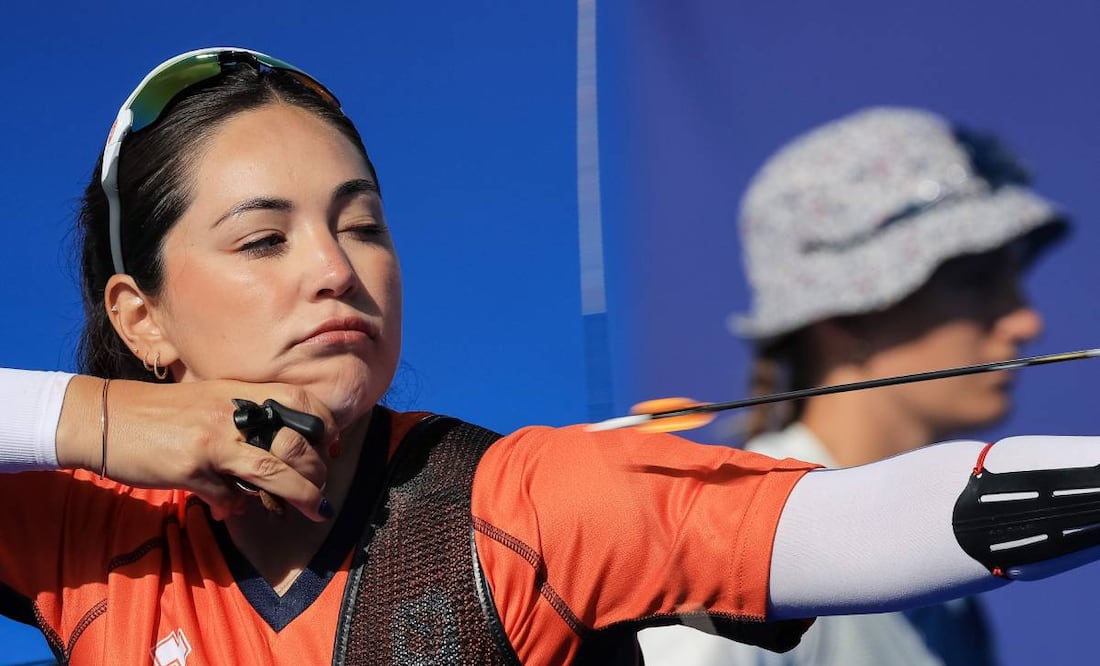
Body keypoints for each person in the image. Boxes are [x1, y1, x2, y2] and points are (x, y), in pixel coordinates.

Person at [1, 49, 1099, 666]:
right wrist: (95, 423)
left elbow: (858, 525)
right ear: (141, 318)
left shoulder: (515, 509)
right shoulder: (86, 528)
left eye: (363, 224)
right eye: (262, 238)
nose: (333, 268)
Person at [637, 107, 1067, 665]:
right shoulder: (740, 554)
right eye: (975, 281)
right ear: (849, 314)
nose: (1026, 322)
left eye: (1015, 279)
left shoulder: (951, 585)